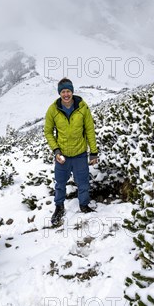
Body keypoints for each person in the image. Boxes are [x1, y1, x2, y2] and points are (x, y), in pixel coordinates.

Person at [44, 77, 98, 225]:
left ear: (72, 91)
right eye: (63, 92)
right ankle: (59, 207)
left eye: (68, 91)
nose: (66, 94)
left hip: (80, 153)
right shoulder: (53, 110)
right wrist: (56, 151)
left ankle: (84, 205)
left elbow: (89, 130)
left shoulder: (82, 107)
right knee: (60, 183)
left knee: (83, 182)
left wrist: (93, 152)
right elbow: (48, 131)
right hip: (63, 155)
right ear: (59, 93)